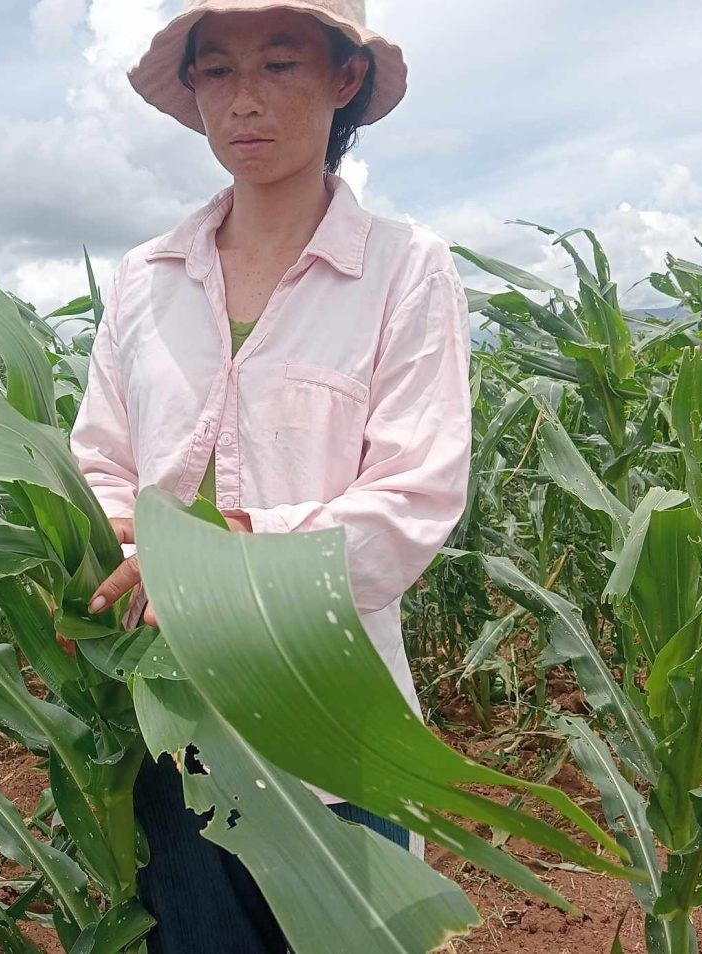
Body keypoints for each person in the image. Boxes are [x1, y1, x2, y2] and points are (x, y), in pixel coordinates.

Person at [67, 2, 473, 950]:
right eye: (217, 72)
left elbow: (415, 494)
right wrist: (128, 544)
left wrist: (233, 556)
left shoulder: (406, 272)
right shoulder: (143, 278)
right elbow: (102, 459)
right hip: (172, 735)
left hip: (335, 733)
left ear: (345, 82)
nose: (243, 102)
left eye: (280, 66)